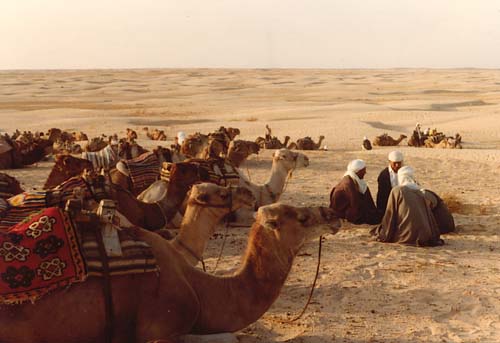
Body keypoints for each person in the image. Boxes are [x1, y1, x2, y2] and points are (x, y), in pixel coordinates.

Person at [370, 166, 445, 246]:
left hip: (407, 235)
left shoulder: (398, 190)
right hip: (425, 235)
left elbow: (390, 214)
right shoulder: (420, 191)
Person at [329, 159, 382, 225]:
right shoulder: (348, 183)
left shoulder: (356, 180)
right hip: (344, 212)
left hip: (354, 208)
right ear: (358, 172)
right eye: (363, 170)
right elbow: (354, 203)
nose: (365, 172)